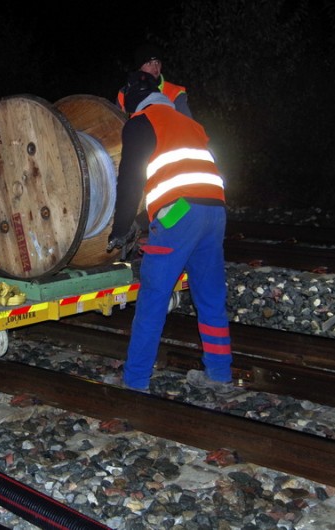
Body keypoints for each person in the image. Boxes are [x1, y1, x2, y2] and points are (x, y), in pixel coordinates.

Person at [106, 70, 232, 392]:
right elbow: (184, 178)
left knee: (153, 298)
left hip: (182, 212)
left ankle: (135, 381)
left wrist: (120, 231)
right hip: (214, 210)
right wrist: (145, 224)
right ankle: (219, 375)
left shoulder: (141, 122)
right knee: (210, 298)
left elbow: (130, 182)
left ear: (132, 99)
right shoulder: (187, 122)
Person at [116, 44, 193, 119]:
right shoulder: (124, 93)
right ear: (139, 68)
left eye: (157, 62)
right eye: (149, 63)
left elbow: (188, 125)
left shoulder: (174, 92)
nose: (155, 68)